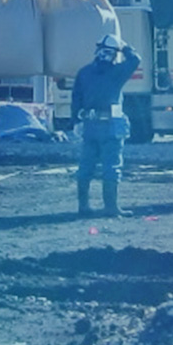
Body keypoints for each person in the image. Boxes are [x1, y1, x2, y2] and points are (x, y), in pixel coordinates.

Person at [71, 34, 142, 217]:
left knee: (86, 165)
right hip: (111, 126)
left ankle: (83, 207)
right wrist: (125, 45)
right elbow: (135, 59)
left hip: (90, 125)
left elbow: (76, 99)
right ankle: (110, 207)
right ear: (114, 54)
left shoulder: (84, 72)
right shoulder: (117, 72)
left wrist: (76, 121)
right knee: (111, 166)